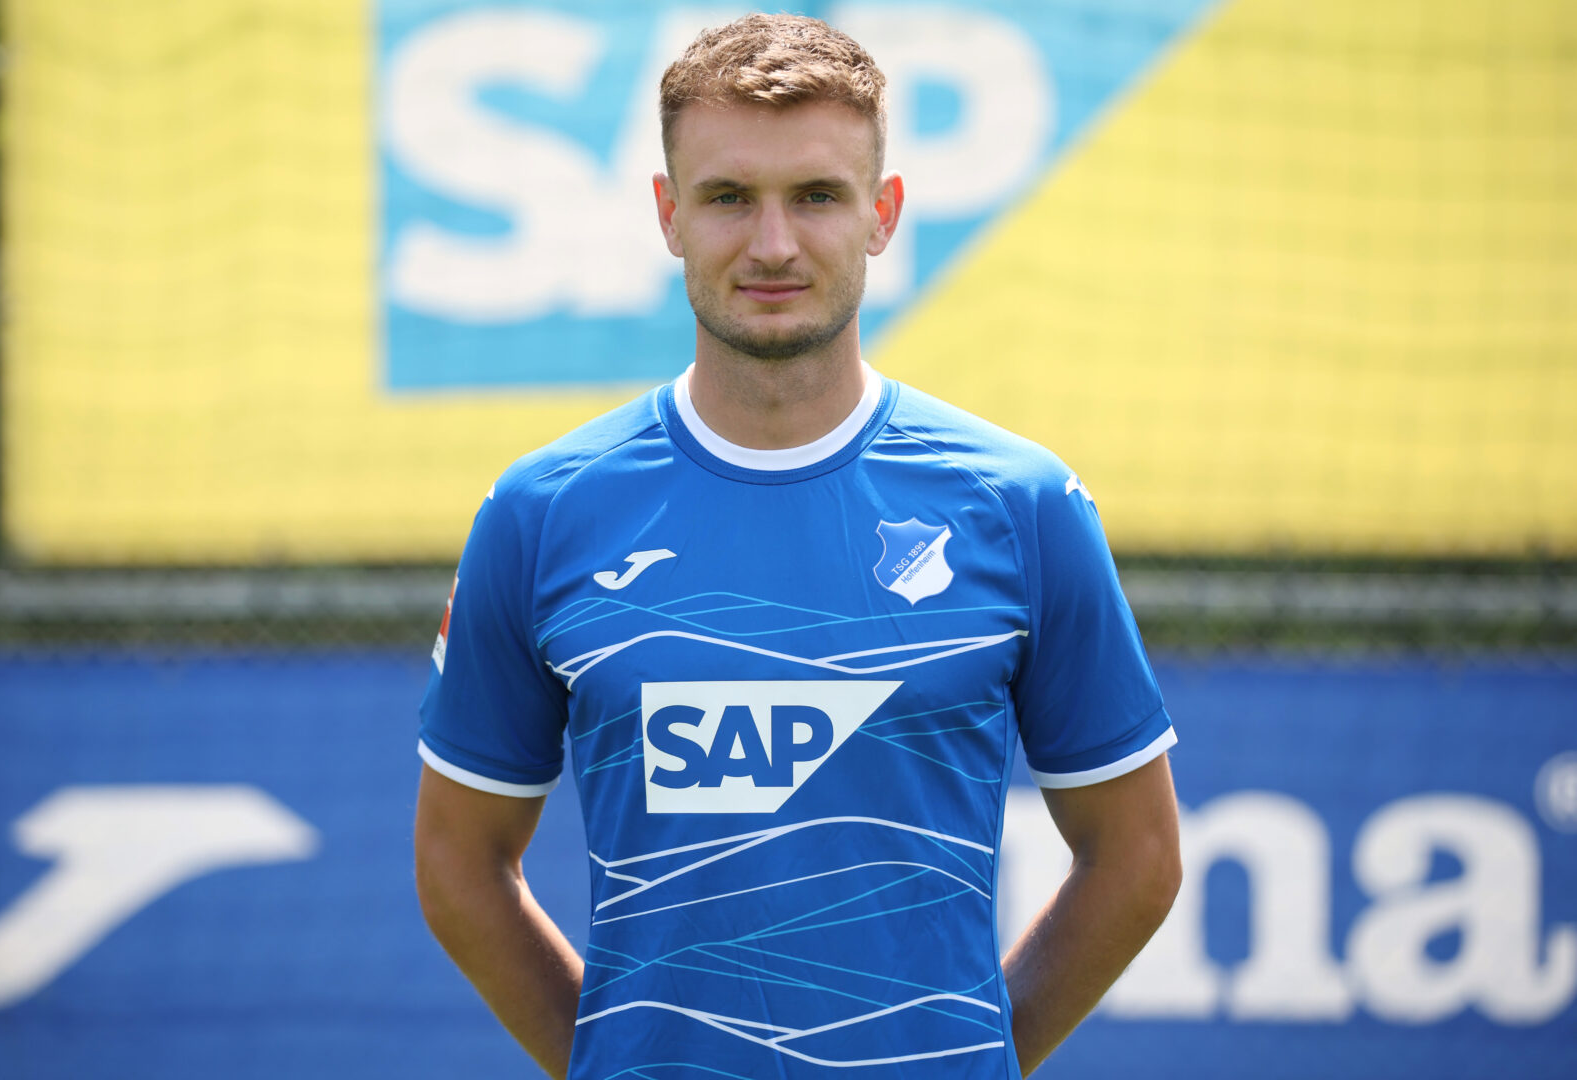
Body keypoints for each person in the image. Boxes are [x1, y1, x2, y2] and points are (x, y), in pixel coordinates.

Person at [413, 13, 1181, 1079]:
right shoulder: (542, 511)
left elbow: (1137, 856)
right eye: (729, 197)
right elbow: (458, 863)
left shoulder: (1022, 504)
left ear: (883, 213)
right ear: (668, 214)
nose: (772, 244)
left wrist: (972, 1059)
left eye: (816, 195)